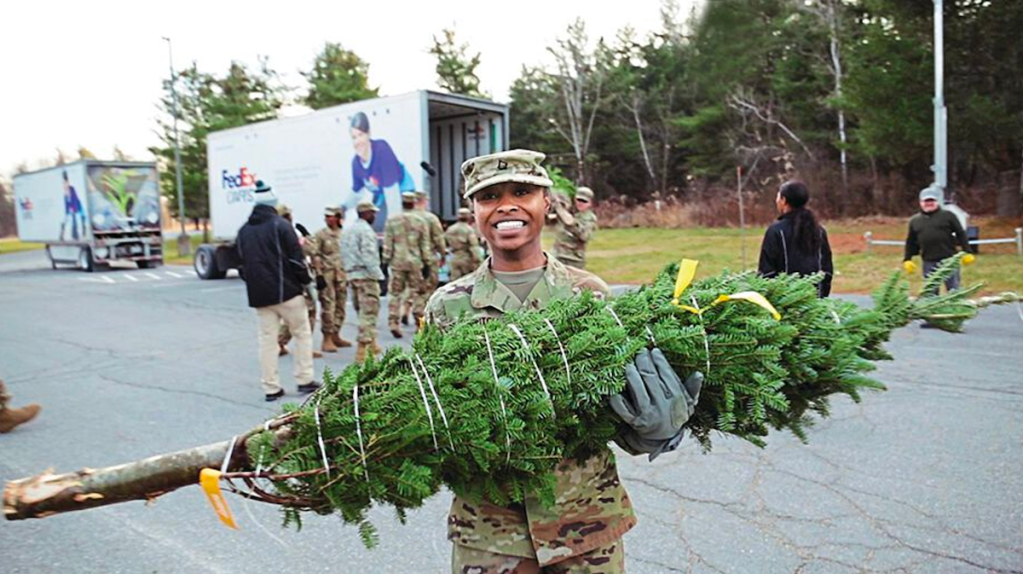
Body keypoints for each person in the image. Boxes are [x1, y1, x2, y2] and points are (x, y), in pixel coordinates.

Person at [426, 149, 703, 573]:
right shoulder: (447, 308)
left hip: (586, 525)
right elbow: (430, 415)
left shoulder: (589, 295)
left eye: (522, 191)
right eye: (489, 197)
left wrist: (652, 431)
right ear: (473, 211)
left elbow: (618, 405)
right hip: (489, 533)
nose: (506, 206)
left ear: (547, 204)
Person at [235, 180, 320, 402]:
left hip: (260, 296)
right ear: (273, 203)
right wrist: (306, 282)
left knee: (267, 340)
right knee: (302, 333)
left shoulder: (244, 231)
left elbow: (241, 264)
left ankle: (271, 387)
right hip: (287, 292)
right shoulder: (281, 226)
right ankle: (304, 379)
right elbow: (296, 260)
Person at [757, 180, 834, 298]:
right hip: (815, 303)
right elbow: (826, 271)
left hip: (785, 304)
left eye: (778, 196)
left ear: (783, 200)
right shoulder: (819, 231)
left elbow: (766, 272)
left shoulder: (776, 231)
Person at [348, 111, 416, 233]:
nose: (357, 141)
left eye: (360, 135)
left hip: (400, 190)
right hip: (381, 195)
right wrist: (342, 209)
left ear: (368, 134)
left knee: (383, 224)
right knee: (371, 223)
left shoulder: (381, 150)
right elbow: (357, 192)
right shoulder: (356, 163)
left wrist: (394, 227)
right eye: (354, 137)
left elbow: (392, 195)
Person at [903, 185, 974, 295]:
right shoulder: (915, 221)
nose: (929, 203)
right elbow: (911, 241)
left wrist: (967, 251)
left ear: (937, 201)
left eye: (932, 200)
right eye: (926, 201)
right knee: (931, 292)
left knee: (953, 290)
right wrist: (907, 259)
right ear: (921, 202)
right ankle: (934, 312)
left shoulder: (948, 216)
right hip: (928, 261)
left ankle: (955, 310)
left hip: (949, 260)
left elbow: (961, 233)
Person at [275, 204, 322, 359]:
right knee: (309, 312)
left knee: (292, 314)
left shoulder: (274, 234)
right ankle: (303, 348)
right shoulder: (289, 234)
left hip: (286, 279)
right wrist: (307, 236)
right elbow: (311, 250)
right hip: (299, 278)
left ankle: (279, 343)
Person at [342, 198, 386, 362]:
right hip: (366, 276)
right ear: (366, 214)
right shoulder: (366, 231)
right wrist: (378, 275)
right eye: (372, 213)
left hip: (353, 276)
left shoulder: (349, 229)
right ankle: (362, 351)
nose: (374, 216)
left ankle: (372, 343)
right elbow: (369, 256)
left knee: (361, 310)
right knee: (369, 313)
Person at [382, 192, 431, 338]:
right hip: (415, 262)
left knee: (395, 293)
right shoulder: (420, 221)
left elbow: (388, 244)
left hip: (397, 261)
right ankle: (419, 322)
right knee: (418, 292)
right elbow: (425, 244)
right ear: (414, 203)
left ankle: (393, 322)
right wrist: (427, 262)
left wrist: (385, 262)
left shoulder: (392, 221)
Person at [311, 206, 353, 353]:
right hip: (327, 275)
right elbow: (315, 255)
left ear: (338, 217)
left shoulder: (344, 234)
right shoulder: (321, 235)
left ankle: (336, 334)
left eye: (331, 216)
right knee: (328, 307)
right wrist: (319, 275)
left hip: (341, 275)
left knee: (341, 306)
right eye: (326, 216)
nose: (328, 219)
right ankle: (327, 338)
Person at [404, 190, 446, 326]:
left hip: (408, 259)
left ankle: (409, 311)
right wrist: (443, 254)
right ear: (424, 201)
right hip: (428, 259)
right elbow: (438, 238)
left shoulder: (403, 217)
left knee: (413, 289)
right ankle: (422, 318)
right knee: (428, 290)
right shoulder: (430, 218)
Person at [551, 186, 598, 269]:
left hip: (573, 258)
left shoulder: (589, 218)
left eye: (584, 201)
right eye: (579, 200)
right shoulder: (569, 210)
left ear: (590, 203)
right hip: (557, 253)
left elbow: (584, 236)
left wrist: (570, 222)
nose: (580, 203)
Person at [444, 207, 483, 280]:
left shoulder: (450, 229)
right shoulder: (469, 230)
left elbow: (445, 243)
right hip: (466, 259)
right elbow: (474, 247)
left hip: (454, 258)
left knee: (454, 283)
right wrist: (479, 262)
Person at [60, 170, 86, 241]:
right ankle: (65, 235)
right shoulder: (65, 194)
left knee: (78, 222)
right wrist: (67, 212)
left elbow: (75, 200)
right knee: (67, 222)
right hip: (71, 211)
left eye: (65, 183)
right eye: (63, 183)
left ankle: (78, 236)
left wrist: (74, 209)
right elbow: (66, 205)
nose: (64, 185)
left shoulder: (72, 189)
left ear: (68, 182)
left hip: (77, 209)